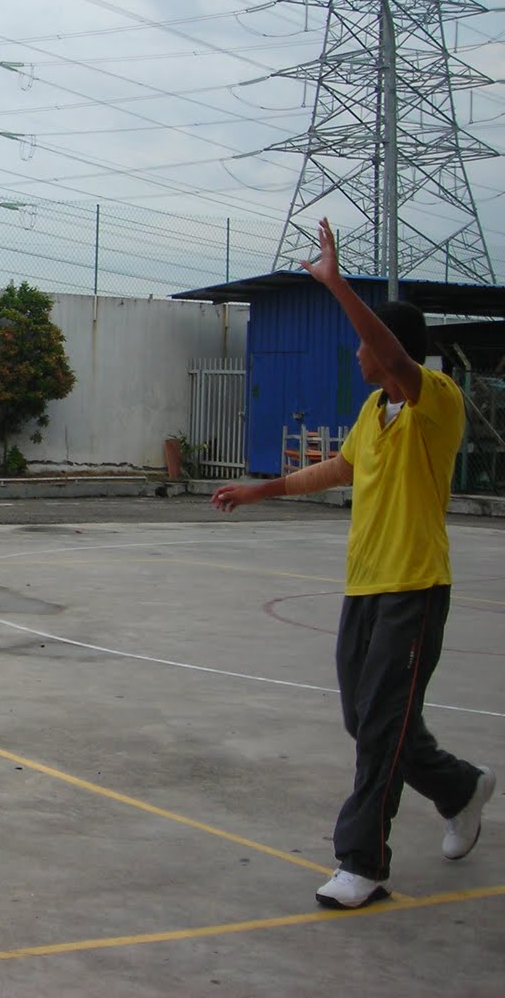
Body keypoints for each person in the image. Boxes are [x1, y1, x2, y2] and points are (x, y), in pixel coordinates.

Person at [211, 217, 493, 910]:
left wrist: (336, 283)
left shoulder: (436, 403)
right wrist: (261, 490)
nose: (358, 357)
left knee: (380, 728)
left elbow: (397, 360)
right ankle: (459, 786)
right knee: (369, 721)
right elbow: (337, 469)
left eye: (365, 345)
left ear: (385, 348)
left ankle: (361, 862)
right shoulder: (374, 412)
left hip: (415, 588)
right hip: (365, 589)